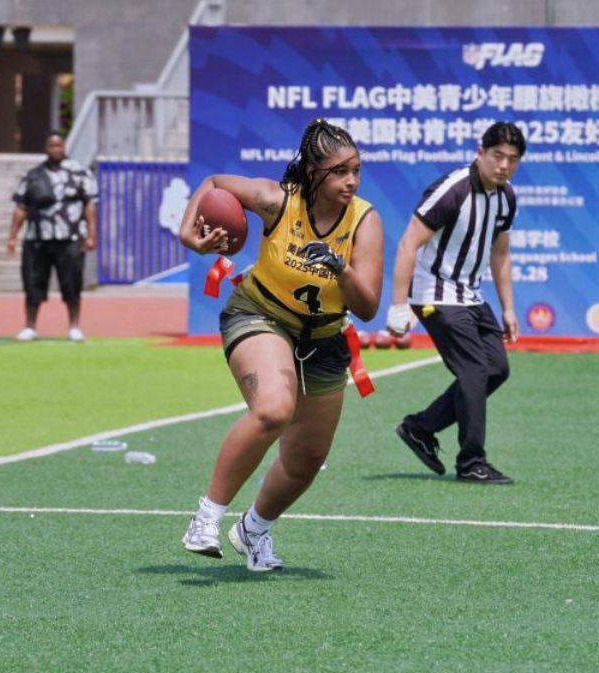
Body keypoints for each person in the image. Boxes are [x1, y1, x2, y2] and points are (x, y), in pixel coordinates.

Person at [178, 118, 384, 571]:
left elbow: (367, 307)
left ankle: (252, 530)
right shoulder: (276, 200)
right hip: (260, 314)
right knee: (273, 408)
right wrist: (188, 233)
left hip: (326, 339)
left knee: (306, 458)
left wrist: (340, 269)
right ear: (313, 172)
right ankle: (206, 518)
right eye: (340, 171)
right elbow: (213, 183)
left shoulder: (364, 222)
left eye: (356, 170)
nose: (351, 180)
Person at [385, 121, 524, 485]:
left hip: (471, 295)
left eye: (512, 159)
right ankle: (472, 462)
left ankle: (420, 427)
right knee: (474, 371)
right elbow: (407, 244)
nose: (504, 165)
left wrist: (508, 307)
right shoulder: (452, 190)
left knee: (497, 368)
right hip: (434, 293)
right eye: (497, 156)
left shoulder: (506, 196)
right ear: (480, 152)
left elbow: (501, 254)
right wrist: (398, 306)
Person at [7, 131, 98, 342]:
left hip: (71, 236)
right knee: (33, 281)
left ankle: (74, 326)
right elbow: (21, 207)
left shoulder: (79, 173)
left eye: (59, 146)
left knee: (72, 280)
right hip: (38, 237)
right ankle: (30, 326)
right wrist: (12, 236)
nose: (56, 150)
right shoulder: (33, 176)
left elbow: (90, 206)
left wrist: (91, 234)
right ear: (46, 148)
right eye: (52, 146)